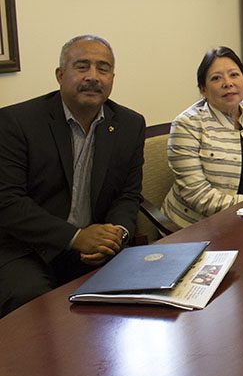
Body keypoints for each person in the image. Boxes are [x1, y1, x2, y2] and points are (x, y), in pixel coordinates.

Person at [0, 35, 145, 316]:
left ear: (112, 77)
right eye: (82, 66)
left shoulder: (130, 124)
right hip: (25, 247)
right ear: (60, 74)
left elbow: (128, 195)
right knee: (36, 306)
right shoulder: (16, 123)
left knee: (139, 294)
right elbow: (7, 202)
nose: (93, 76)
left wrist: (116, 234)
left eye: (103, 68)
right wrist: (75, 236)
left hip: (93, 246)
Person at [162, 47, 243, 228]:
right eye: (216, 78)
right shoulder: (187, 125)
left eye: (234, 75)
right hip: (204, 226)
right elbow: (198, 196)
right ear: (203, 90)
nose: (228, 83)